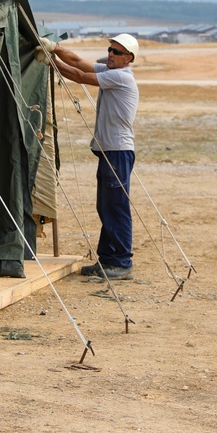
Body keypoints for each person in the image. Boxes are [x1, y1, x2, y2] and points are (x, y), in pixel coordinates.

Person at [37, 33, 140, 280]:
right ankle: (107, 260)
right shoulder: (110, 69)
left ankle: (122, 262)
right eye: (110, 50)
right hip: (110, 151)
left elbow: (80, 76)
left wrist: (51, 61)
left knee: (116, 208)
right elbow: (79, 62)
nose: (111, 54)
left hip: (117, 151)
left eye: (116, 52)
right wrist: (56, 48)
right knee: (106, 206)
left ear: (129, 58)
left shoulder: (120, 76)